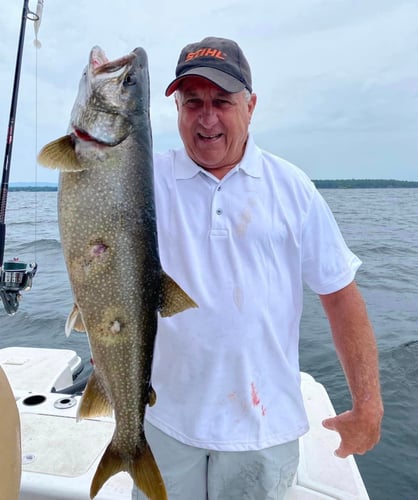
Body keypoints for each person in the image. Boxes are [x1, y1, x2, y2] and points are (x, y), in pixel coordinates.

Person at [133, 36, 383, 500]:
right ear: (178, 110)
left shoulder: (293, 189)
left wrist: (367, 404)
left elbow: (340, 295)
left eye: (222, 102)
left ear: (251, 105)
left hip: (263, 430)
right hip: (164, 422)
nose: (207, 118)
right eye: (193, 103)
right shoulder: (146, 180)